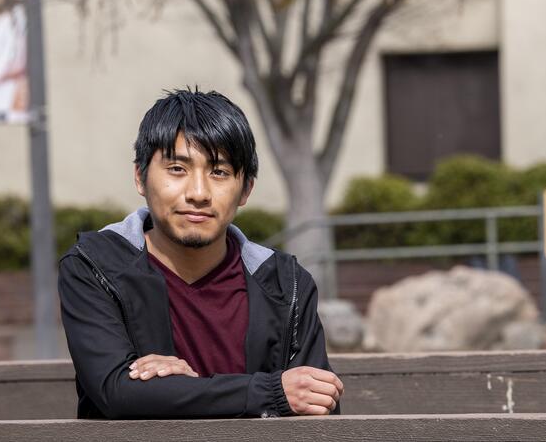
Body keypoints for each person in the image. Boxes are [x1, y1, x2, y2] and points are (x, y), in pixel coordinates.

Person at [58, 89, 343, 419]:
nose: (198, 193)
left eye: (219, 172)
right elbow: (118, 393)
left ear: (246, 189)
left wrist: (178, 390)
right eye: (177, 168)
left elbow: (315, 403)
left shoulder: (285, 283)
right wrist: (270, 392)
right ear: (140, 177)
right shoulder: (95, 266)